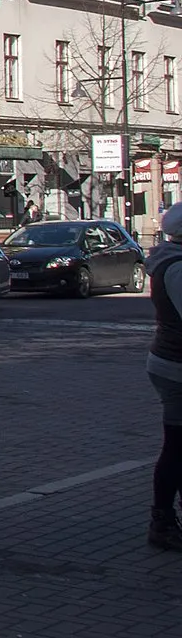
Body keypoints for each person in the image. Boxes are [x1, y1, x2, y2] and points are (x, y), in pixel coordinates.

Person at [145, 201, 182, 552]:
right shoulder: (177, 267)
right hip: (177, 367)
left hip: (167, 361)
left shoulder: (168, 260)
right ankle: (162, 519)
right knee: (177, 445)